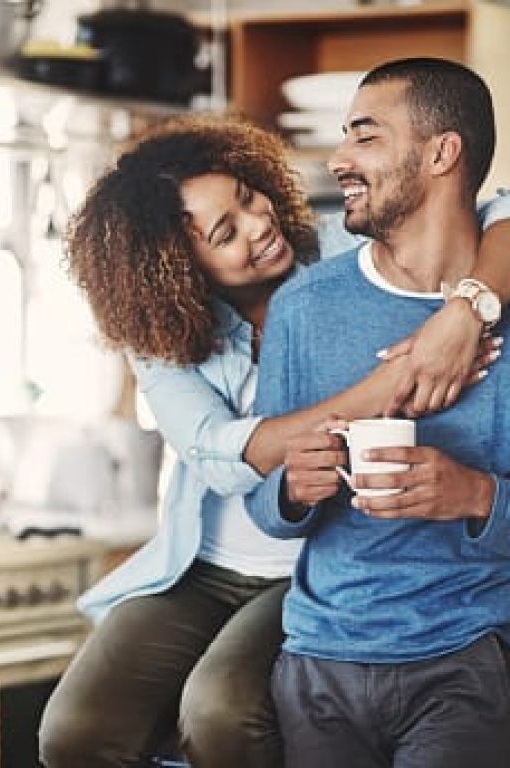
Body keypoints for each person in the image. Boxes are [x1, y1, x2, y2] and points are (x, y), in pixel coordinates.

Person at [38, 112, 510, 768]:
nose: (259, 225)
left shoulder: (348, 257)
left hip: (307, 567)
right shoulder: (158, 337)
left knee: (220, 709)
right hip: (202, 566)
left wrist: (465, 309)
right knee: (74, 731)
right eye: (225, 232)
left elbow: (500, 210)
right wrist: (405, 373)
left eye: (249, 197)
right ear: (175, 269)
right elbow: (226, 454)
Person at [246, 57, 510, 767]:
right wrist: (292, 489)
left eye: (365, 137)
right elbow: (263, 503)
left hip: (468, 661)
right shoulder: (304, 308)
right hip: (318, 666)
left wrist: (476, 495)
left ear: (441, 152)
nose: (338, 160)